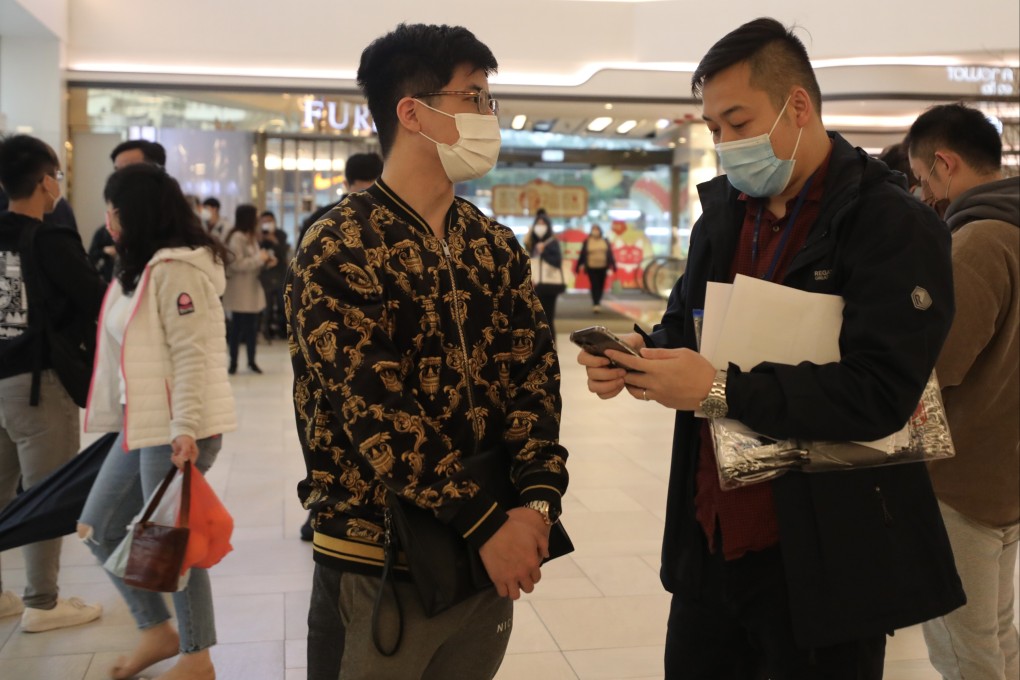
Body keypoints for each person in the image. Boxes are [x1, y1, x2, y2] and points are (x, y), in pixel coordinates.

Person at [578, 18, 964, 678]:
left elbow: (880, 394)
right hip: (711, 540)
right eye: (713, 129)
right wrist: (642, 352)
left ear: (798, 105)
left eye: (737, 121)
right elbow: (688, 326)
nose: (725, 143)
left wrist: (717, 388)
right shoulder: (724, 213)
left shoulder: (892, 226)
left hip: (827, 562)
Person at [286, 23, 568, 680]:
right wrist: (487, 523)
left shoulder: (493, 244)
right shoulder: (338, 246)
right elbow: (374, 412)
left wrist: (535, 501)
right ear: (412, 111)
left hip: (487, 560)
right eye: (473, 97)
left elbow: (535, 378)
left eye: (488, 99)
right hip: (380, 557)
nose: (488, 116)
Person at [77, 162, 236, 680]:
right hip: (139, 421)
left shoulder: (177, 270)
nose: (108, 218)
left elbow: (191, 356)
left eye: (114, 208)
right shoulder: (141, 267)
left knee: (172, 540)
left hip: (175, 426)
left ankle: (197, 655)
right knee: (97, 526)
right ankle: (156, 630)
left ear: (134, 212)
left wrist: (185, 428)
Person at [905, 103, 1020, 680]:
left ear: (944, 165)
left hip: (962, 478)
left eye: (923, 181)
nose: (924, 196)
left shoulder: (978, 241)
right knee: (997, 629)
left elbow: (938, 363)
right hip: (1006, 469)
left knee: (963, 644)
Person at [0, 134, 106, 632]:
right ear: (45, 182)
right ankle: (42, 603)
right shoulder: (49, 239)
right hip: (38, 385)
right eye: (57, 176)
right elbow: (96, 301)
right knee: (47, 493)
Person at [89, 140, 169, 282]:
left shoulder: (175, 240)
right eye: (117, 171)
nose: (120, 179)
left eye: (129, 170)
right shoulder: (107, 233)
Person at [223, 203, 272, 374]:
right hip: (240, 289)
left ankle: (252, 361)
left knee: (252, 328)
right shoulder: (236, 237)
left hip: (251, 288)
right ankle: (233, 362)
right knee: (237, 328)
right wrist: (260, 259)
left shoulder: (250, 237)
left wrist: (265, 260)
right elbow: (236, 263)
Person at [296, 151, 384, 245]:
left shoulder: (321, 218)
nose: (367, 199)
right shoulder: (387, 220)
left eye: (373, 192)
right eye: (361, 193)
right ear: (346, 185)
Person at [525, 210, 566, 340]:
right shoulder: (530, 242)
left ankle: (551, 344)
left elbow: (557, 262)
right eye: (538, 223)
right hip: (535, 284)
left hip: (549, 286)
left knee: (548, 315)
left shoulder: (552, 243)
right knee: (534, 317)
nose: (540, 226)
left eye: (543, 223)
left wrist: (544, 252)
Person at [257, 210, 289, 340]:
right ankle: (266, 331)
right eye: (264, 221)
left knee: (282, 304)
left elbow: (283, 254)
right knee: (267, 305)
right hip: (265, 275)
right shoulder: (258, 236)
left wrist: (275, 241)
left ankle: (283, 331)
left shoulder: (281, 235)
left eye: (269, 221)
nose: (267, 224)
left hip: (280, 274)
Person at [574, 223, 616, 312]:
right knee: (594, 285)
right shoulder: (587, 241)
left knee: (601, 285)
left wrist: (613, 265)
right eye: (594, 229)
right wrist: (577, 267)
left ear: (600, 230)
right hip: (591, 267)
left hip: (603, 267)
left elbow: (610, 254)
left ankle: (598, 300)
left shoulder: (605, 240)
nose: (595, 231)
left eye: (597, 229)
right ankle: (596, 303)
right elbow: (582, 255)